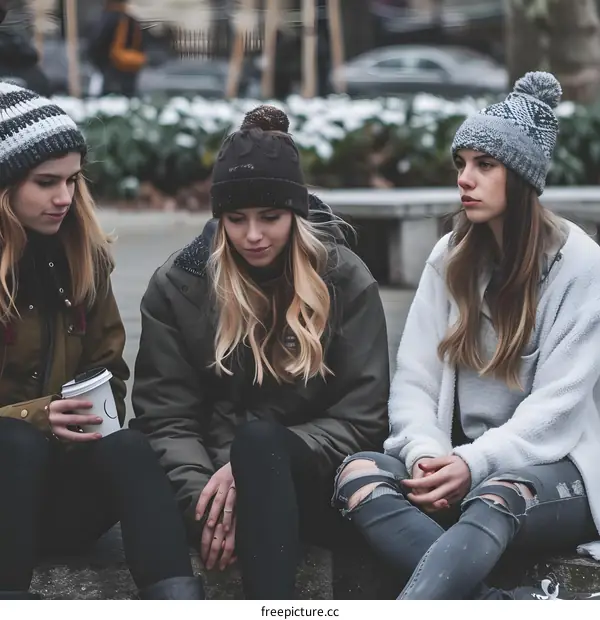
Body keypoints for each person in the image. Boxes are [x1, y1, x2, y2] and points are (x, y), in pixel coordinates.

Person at [332, 72, 600, 600]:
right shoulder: (451, 257)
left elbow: (556, 408)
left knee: (499, 496)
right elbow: (414, 381)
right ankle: (497, 606)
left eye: (485, 164)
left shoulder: (581, 265)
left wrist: (473, 464)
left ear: (521, 177)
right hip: (462, 462)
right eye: (462, 164)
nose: (465, 179)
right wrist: (426, 454)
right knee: (356, 475)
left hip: (557, 470)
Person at [131, 105, 390, 599]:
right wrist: (210, 503)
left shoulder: (344, 279)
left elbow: (362, 419)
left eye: (270, 217)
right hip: (206, 493)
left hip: (312, 486)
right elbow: (167, 417)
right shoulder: (179, 286)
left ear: (296, 212)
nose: (253, 235)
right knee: (131, 451)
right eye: (236, 219)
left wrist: (253, 471)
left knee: (259, 446)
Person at [0, 83, 203, 600]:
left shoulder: (82, 258)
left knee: (130, 447)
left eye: (72, 180)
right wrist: (36, 417)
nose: (64, 197)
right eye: (45, 182)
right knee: (16, 444)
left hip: (57, 493)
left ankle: (178, 600)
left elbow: (110, 367)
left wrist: (93, 410)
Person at [88, 0, 146, 97]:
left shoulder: (107, 18)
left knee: (109, 101)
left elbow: (96, 44)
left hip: (111, 67)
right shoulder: (131, 20)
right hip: (131, 67)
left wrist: (97, 62)